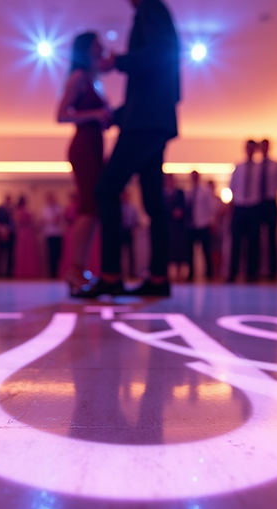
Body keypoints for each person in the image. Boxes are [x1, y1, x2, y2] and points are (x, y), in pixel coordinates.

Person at [79, 0, 181, 298]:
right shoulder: (153, 11)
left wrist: (118, 62)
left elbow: (159, 55)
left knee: (106, 190)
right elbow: (151, 82)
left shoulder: (150, 9)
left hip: (145, 122)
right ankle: (158, 278)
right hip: (153, 119)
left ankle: (111, 275)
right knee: (153, 202)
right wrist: (118, 115)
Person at [56, 32, 111, 295]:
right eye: (97, 44)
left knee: (93, 208)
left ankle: (79, 269)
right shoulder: (78, 77)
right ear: (87, 49)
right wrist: (95, 114)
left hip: (96, 145)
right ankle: (75, 270)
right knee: (88, 207)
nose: (102, 48)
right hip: (83, 146)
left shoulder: (95, 80)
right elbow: (60, 115)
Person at [228, 140, 263, 283]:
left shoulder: (260, 168)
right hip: (240, 206)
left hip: (254, 206)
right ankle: (233, 272)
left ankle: (252, 274)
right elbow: (232, 187)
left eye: (252, 148)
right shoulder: (238, 167)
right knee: (236, 241)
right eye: (248, 148)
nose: (250, 151)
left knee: (253, 242)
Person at [258, 139, 277, 280]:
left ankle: (273, 271)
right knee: (257, 239)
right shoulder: (256, 166)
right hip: (257, 203)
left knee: (272, 238)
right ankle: (257, 270)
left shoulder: (276, 164)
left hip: (271, 202)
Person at [188, 170, 217, 280]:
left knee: (206, 250)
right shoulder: (188, 191)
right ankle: (191, 273)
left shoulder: (205, 191)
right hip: (192, 225)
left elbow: (211, 208)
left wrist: (211, 222)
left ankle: (209, 273)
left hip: (203, 224)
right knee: (190, 251)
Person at [164, 174, 190, 280]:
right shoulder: (163, 193)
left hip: (179, 227)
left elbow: (185, 207)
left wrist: (180, 212)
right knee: (169, 250)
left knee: (180, 250)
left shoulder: (180, 193)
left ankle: (180, 273)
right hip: (168, 226)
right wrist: (171, 213)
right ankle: (168, 273)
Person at [12, 195, 41, 278]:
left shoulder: (19, 211)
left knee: (27, 252)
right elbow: (19, 221)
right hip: (26, 233)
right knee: (25, 251)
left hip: (26, 232)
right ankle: (26, 272)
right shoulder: (20, 211)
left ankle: (28, 271)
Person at [39, 191, 64, 279]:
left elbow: (60, 219)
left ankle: (58, 271)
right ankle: (52, 273)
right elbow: (42, 221)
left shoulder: (59, 207)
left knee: (58, 253)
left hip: (59, 233)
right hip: (49, 233)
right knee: (51, 254)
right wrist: (52, 220)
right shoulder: (44, 208)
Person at [0, 194, 15, 278]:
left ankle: (9, 273)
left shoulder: (14, 209)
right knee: (0, 253)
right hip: (1, 234)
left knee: (10, 254)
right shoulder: (0, 208)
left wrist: (9, 229)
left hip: (11, 234)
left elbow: (15, 222)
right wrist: (2, 229)